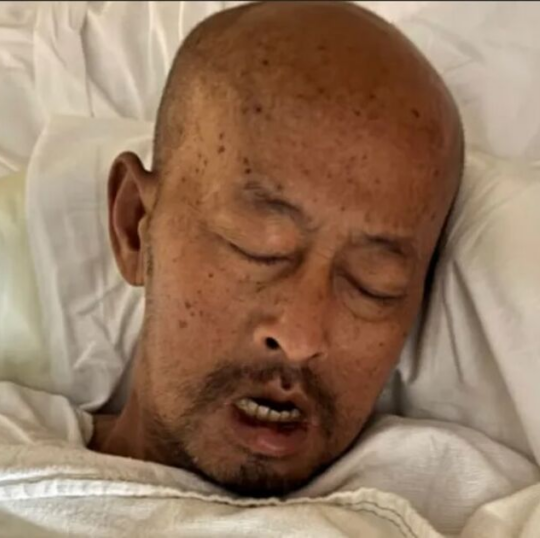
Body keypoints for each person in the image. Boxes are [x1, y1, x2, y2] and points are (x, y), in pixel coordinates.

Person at [89, 1, 463, 497]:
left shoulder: (454, 505)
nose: (300, 336)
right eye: (258, 248)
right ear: (135, 227)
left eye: (373, 285)